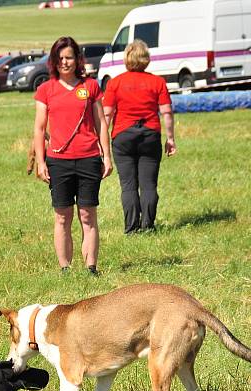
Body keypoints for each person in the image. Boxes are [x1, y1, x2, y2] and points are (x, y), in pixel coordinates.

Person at [33, 36, 112, 275]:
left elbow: (101, 123)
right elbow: (39, 128)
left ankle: (91, 268)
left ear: (77, 59)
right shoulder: (46, 89)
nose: (64, 62)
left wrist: (107, 156)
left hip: (89, 158)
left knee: (88, 215)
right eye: (60, 58)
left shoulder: (90, 87)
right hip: (58, 161)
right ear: (53, 61)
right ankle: (65, 268)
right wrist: (40, 162)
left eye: (69, 57)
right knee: (62, 216)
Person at [102, 39, 176, 234]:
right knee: (149, 184)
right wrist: (170, 139)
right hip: (150, 135)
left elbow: (107, 114)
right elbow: (166, 112)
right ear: (146, 59)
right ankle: (148, 225)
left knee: (128, 185)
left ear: (126, 59)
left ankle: (131, 227)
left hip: (123, 136)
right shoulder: (157, 82)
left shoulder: (115, 83)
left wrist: (101, 141)